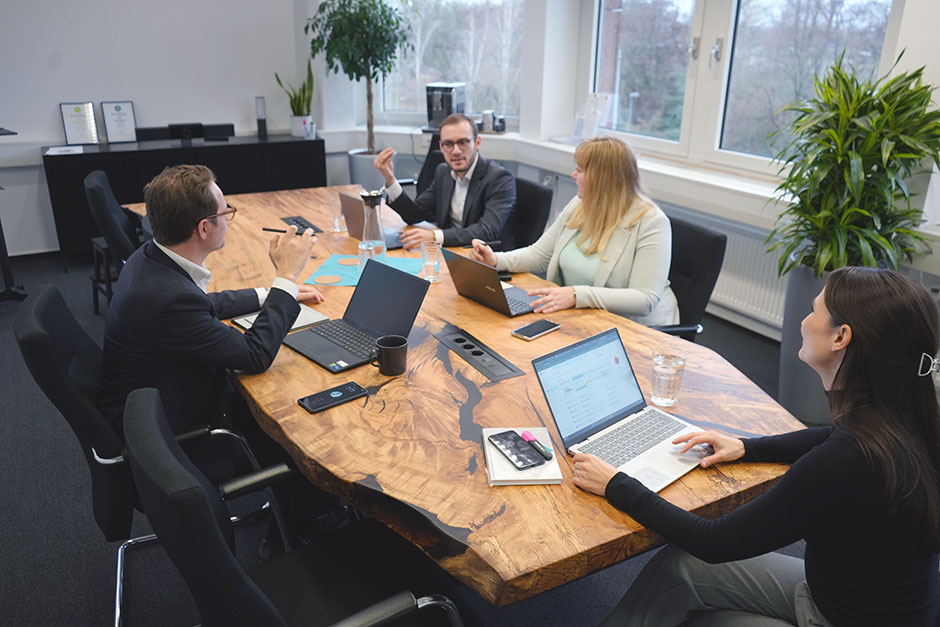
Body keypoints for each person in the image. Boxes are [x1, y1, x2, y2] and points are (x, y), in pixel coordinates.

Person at [574, 266, 940, 626]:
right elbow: (830, 435)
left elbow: (714, 541)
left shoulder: (845, 462)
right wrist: (746, 448)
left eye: (813, 311)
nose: (803, 320)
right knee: (680, 567)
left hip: (830, 615)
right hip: (855, 599)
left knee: (703, 618)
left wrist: (616, 484)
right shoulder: (906, 421)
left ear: (841, 337)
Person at [97, 164, 324, 437]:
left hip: (151, 397)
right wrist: (286, 276)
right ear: (204, 228)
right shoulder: (171, 301)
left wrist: (271, 294)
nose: (228, 218)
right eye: (225, 212)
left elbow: (202, 302)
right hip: (172, 429)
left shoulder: (148, 256)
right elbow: (254, 355)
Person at [468, 135, 677, 325]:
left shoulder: (651, 222)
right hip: (579, 316)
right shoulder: (580, 204)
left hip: (632, 330)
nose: (573, 175)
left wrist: (577, 295)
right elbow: (539, 254)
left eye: (580, 170)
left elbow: (644, 299)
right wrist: (495, 260)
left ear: (602, 178)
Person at [372, 112, 516, 250]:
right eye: (448, 144)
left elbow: (486, 231)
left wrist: (435, 236)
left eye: (463, 142)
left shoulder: (499, 179)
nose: (456, 151)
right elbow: (414, 214)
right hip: (450, 252)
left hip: (484, 258)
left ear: (477, 143)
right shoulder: (443, 172)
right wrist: (390, 178)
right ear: (441, 147)